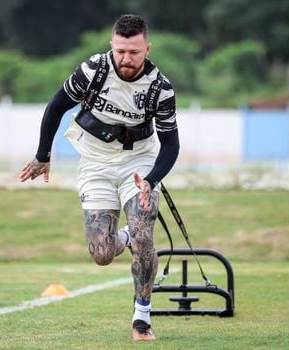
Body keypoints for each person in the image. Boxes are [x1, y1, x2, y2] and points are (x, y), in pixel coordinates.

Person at [20, 14, 179, 341]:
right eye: (121, 50)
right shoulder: (93, 71)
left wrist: (151, 178)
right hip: (95, 161)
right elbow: (56, 106)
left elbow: (171, 144)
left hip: (139, 162)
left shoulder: (160, 89)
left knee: (144, 234)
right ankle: (125, 236)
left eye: (134, 52)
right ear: (112, 45)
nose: (127, 59)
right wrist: (43, 155)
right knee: (102, 254)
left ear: (147, 49)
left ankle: (142, 317)